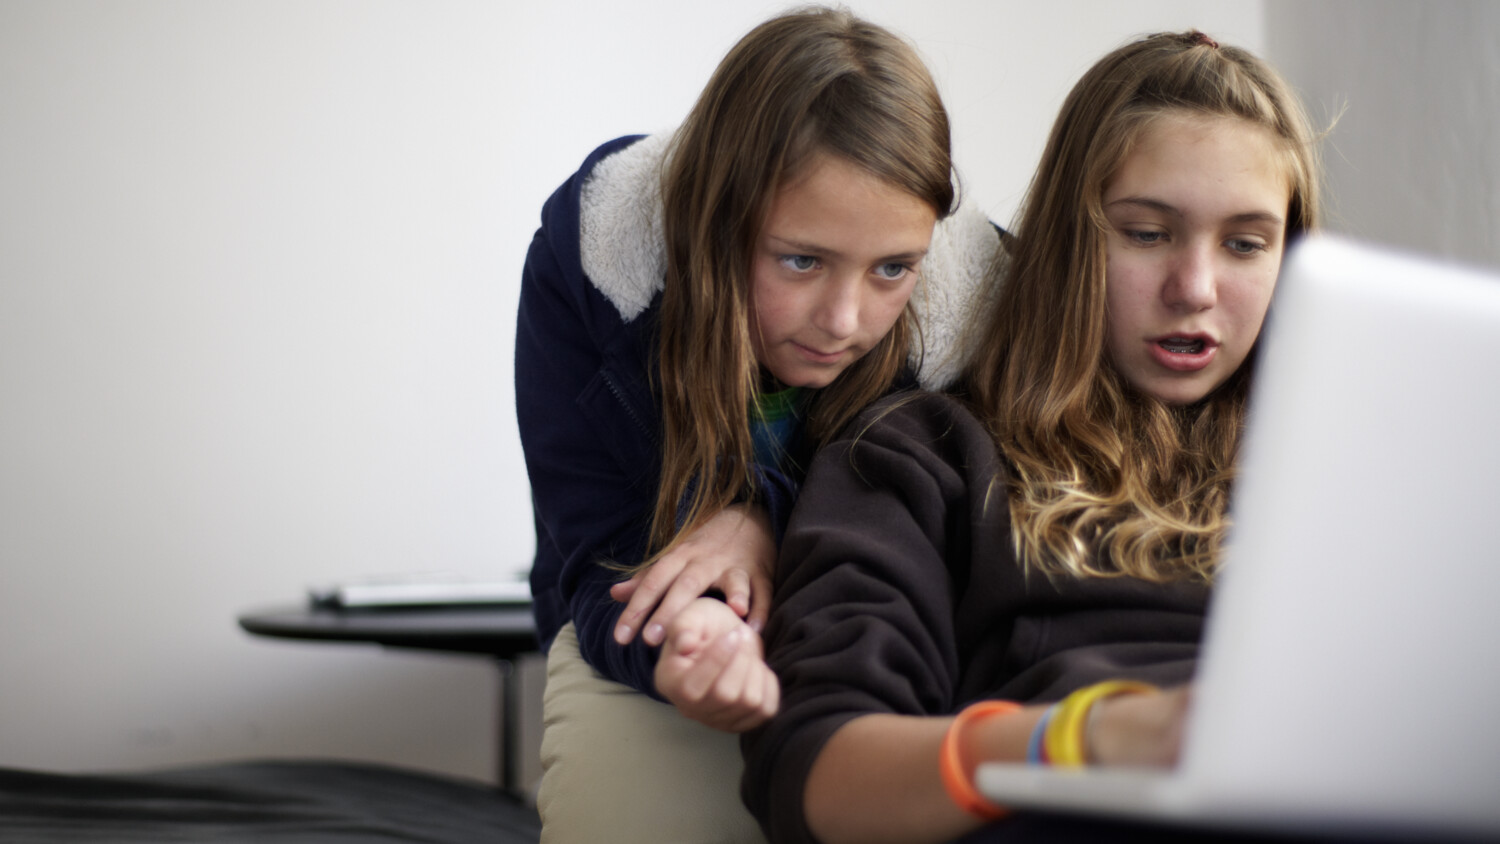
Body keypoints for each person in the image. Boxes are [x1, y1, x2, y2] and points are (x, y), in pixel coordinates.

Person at [741, 30, 1324, 844]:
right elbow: (814, 779)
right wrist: (1082, 739)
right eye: (1147, 233)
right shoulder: (922, 455)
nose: (1194, 289)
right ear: (1067, 240)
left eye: (1245, 244)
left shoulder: (1337, 479)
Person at [515, 7, 1001, 840]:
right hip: (641, 642)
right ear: (717, 220)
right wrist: (686, 634)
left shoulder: (972, 323)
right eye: (801, 260)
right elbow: (591, 552)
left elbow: (948, 570)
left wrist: (765, 520)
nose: (845, 320)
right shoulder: (594, 272)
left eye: (893, 268)